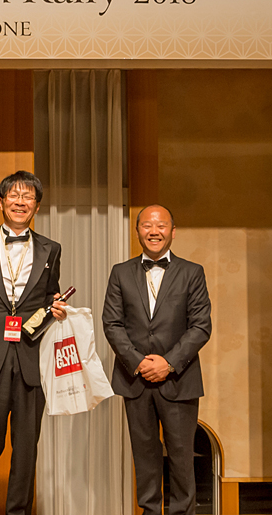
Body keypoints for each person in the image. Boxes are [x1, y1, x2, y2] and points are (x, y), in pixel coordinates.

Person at [0, 170, 66, 515]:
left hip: (31, 360)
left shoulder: (52, 249)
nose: (20, 202)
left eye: (28, 197)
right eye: (14, 195)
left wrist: (55, 309)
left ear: (37, 205)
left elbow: (49, 298)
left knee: (25, 450)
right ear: (1, 202)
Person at [102, 204, 212, 515]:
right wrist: (138, 362)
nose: (154, 231)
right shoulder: (120, 272)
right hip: (135, 380)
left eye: (161, 225)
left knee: (181, 458)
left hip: (179, 379)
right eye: (147, 225)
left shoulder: (192, 272)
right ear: (138, 231)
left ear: (172, 232)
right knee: (145, 459)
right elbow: (112, 323)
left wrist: (168, 363)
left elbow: (201, 326)